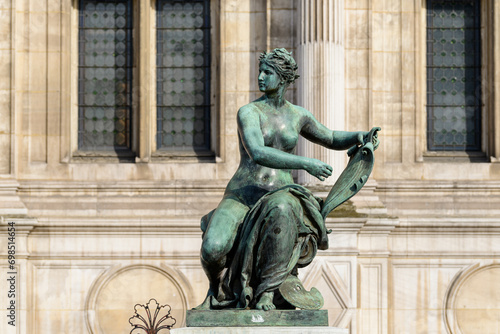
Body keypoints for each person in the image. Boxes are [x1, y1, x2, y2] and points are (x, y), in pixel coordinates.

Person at [197, 48, 372, 311]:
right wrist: (306, 162)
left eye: (268, 73)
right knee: (213, 248)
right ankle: (216, 289)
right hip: (243, 194)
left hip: (279, 193)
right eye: (261, 71)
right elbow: (257, 152)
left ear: (283, 78)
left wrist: (360, 136)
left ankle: (267, 293)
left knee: (283, 209)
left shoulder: (298, 115)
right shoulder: (249, 112)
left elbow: (331, 137)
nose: (260, 77)